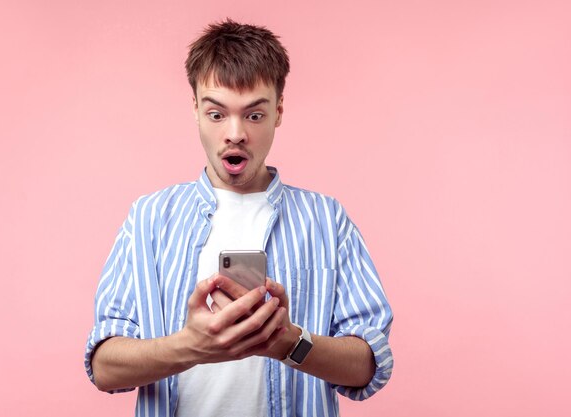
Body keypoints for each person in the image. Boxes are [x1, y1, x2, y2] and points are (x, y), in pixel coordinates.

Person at [85, 19, 393, 417]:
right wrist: (192, 345)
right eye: (216, 115)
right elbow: (104, 366)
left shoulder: (327, 220)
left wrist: (288, 343)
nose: (235, 134)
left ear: (278, 112)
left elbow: (369, 363)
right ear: (195, 109)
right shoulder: (148, 219)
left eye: (254, 115)